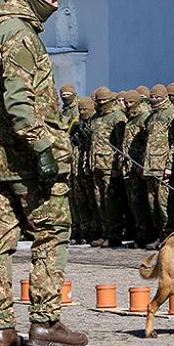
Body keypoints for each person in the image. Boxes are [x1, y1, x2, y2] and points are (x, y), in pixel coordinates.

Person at [0, 0, 87, 346]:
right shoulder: (20, 36)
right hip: (26, 161)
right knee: (52, 233)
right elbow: (18, 102)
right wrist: (42, 148)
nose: (56, 5)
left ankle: (1, 331)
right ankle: (45, 323)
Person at [144, 84, 174, 249]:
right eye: (152, 97)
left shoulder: (172, 115)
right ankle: (160, 235)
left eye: (157, 97)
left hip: (162, 168)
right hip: (150, 167)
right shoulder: (151, 117)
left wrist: (169, 166)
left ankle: (169, 237)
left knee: (164, 204)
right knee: (152, 204)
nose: (154, 100)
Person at [89, 87, 127, 248]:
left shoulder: (117, 116)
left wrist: (117, 166)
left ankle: (114, 234)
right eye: (99, 101)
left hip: (109, 165)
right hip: (96, 164)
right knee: (99, 201)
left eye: (104, 100)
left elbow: (121, 144)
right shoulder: (95, 117)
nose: (101, 103)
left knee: (111, 202)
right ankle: (104, 232)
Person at [121, 90, 155, 248]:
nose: (128, 105)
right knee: (134, 204)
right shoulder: (130, 118)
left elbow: (148, 144)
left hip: (140, 166)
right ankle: (140, 234)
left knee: (143, 203)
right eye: (126, 103)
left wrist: (143, 164)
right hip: (129, 167)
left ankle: (148, 235)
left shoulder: (144, 117)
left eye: (131, 102)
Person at [70, 97, 102, 244]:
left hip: (92, 166)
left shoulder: (96, 122)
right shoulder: (78, 123)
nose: (82, 112)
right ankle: (84, 230)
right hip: (79, 167)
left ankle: (96, 230)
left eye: (85, 109)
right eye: (80, 110)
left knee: (93, 201)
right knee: (80, 201)